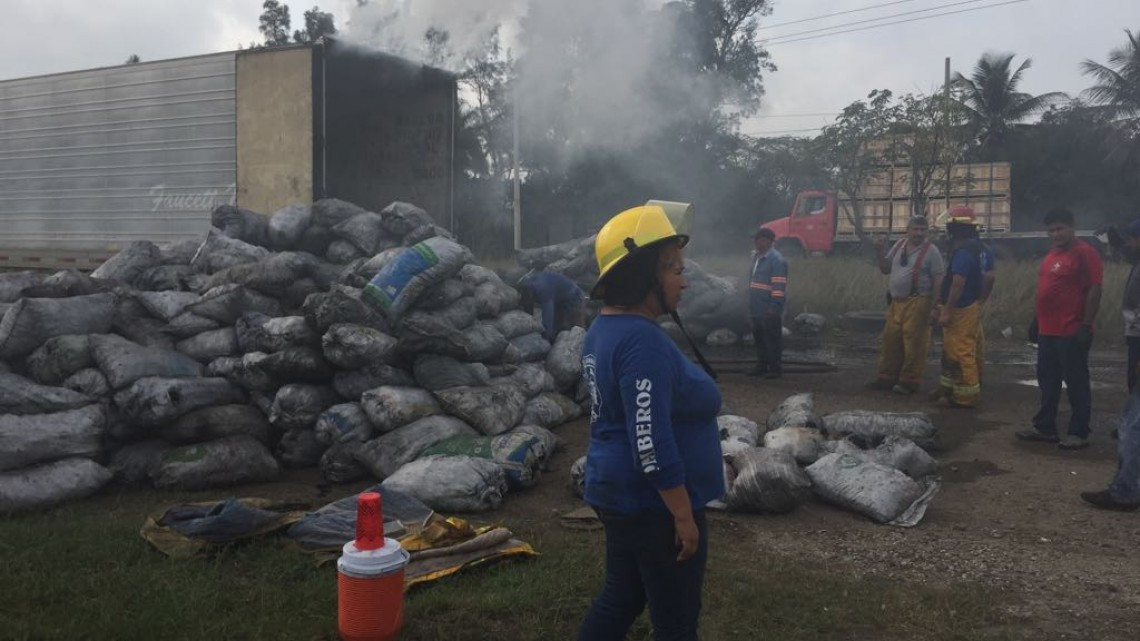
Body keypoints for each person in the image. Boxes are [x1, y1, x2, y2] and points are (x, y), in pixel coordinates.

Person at [577, 205, 723, 641]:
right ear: (645, 276)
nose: (685, 279)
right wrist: (682, 514)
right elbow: (650, 440)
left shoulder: (604, 330)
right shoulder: (642, 343)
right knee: (675, 621)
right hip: (651, 503)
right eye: (675, 269)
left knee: (622, 596)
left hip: (622, 493)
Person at [1016, 207, 1103, 450]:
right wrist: (1036, 320)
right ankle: (1045, 427)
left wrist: (1086, 325)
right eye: (1051, 230)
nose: (1056, 234)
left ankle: (1078, 432)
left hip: (1071, 330)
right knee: (1048, 381)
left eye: (1060, 228)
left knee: (1076, 382)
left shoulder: (1085, 253)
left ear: (1072, 226)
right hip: (1048, 331)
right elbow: (1046, 290)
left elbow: (1095, 289)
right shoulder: (1052, 255)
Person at [867, 216, 945, 395]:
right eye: (916, 229)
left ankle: (910, 381)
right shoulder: (899, 245)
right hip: (896, 302)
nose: (919, 233)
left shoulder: (931, 251)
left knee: (914, 341)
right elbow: (885, 269)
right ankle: (887, 377)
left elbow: (938, 279)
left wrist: (937, 305)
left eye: (922, 230)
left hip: (919, 302)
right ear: (907, 230)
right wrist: (879, 251)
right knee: (891, 339)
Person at [930, 206, 986, 408]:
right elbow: (986, 277)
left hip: (960, 308)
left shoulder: (963, 252)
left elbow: (958, 282)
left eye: (950, 227)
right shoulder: (977, 248)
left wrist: (946, 310)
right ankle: (949, 387)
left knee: (961, 350)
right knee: (951, 349)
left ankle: (966, 395)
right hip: (967, 305)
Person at [1104, 219, 1140, 391]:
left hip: (1139, 331)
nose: (1130, 243)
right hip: (1135, 331)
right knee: (1134, 380)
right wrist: (1116, 242)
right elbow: (1130, 254)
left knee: (1136, 383)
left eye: (1132, 238)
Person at [747, 227, 788, 379]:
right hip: (756, 306)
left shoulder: (776, 260)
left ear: (767, 241)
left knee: (772, 339)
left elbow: (779, 286)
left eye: (757, 239)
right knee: (759, 338)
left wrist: (774, 306)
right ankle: (762, 366)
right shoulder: (757, 257)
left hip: (768, 307)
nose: (755, 242)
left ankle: (775, 369)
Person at [517, 270, 586, 341]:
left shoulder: (543, 289)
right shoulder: (526, 286)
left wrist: (546, 337)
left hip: (574, 297)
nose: (528, 301)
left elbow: (548, 314)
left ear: (531, 294)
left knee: (577, 331)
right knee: (556, 329)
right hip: (558, 300)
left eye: (528, 298)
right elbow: (528, 308)